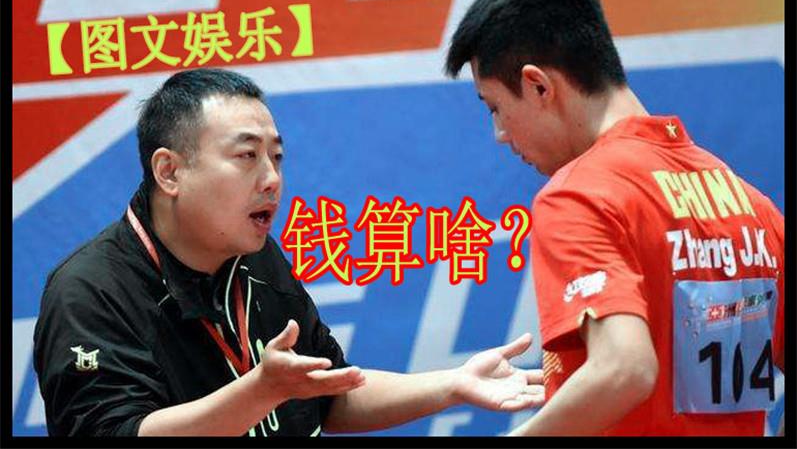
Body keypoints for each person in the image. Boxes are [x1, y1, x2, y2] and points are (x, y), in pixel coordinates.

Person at [33, 68, 545, 437]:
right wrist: (261, 391)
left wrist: (452, 384)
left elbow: (331, 397)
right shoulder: (89, 291)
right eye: (247, 156)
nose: (272, 179)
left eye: (276, 157)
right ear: (170, 172)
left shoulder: (257, 259)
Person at [445, 0, 784, 436]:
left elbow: (625, 368)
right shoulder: (750, 205)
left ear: (539, 85)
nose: (500, 134)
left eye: (496, 107)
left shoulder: (578, 196)